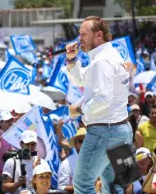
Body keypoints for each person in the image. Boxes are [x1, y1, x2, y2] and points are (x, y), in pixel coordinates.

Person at [65, 16, 132, 194]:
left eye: (84, 34)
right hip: (123, 130)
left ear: (99, 35)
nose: (80, 39)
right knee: (114, 187)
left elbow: (103, 98)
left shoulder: (101, 61)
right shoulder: (110, 55)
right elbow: (80, 79)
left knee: (82, 184)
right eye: (80, 35)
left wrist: (79, 110)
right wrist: (72, 60)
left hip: (104, 131)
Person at [58, 128, 86, 194]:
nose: (84, 144)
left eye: (87, 141)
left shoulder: (97, 160)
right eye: (80, 141)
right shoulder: (66, 164)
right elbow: (61, 187)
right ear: (75, 144)